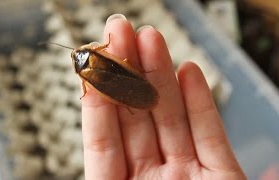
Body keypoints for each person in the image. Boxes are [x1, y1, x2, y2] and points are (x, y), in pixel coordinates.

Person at [81, 14, 246, 179]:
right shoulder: (93, 54)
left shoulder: (85, 76)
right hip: (126, 81)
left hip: (121, 92)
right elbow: (110, 54)